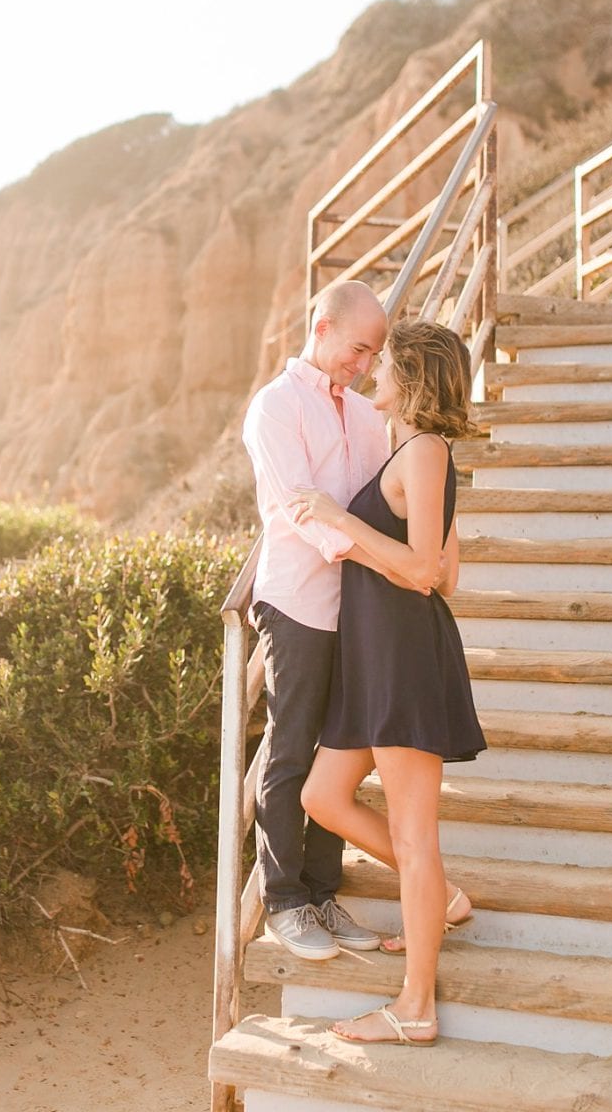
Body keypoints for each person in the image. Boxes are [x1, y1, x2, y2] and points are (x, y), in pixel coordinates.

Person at [290, 316, 486, 1046]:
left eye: (384, 361)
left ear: (410, 376)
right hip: (379, 657)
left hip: (403, 658)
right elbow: (448, 566)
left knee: (413, 836)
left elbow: (427, 574)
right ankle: (441, 900)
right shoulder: (413, 451)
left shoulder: (428, 450)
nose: (372, 369)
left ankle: (416, 1009)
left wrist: (343, 522)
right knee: (323, 796)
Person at [240, 279, 392, 960]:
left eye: (373, 356)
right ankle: (284, 899)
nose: (363, 366)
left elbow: (377, 502)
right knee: (292, 746)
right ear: (323, 327)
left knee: (339, 756)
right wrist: (378, 557)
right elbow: (300, 506)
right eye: (358, 349)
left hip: (356, 605)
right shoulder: (274, 407)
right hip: (298, 599)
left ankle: (325, 895)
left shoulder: (367, 418)